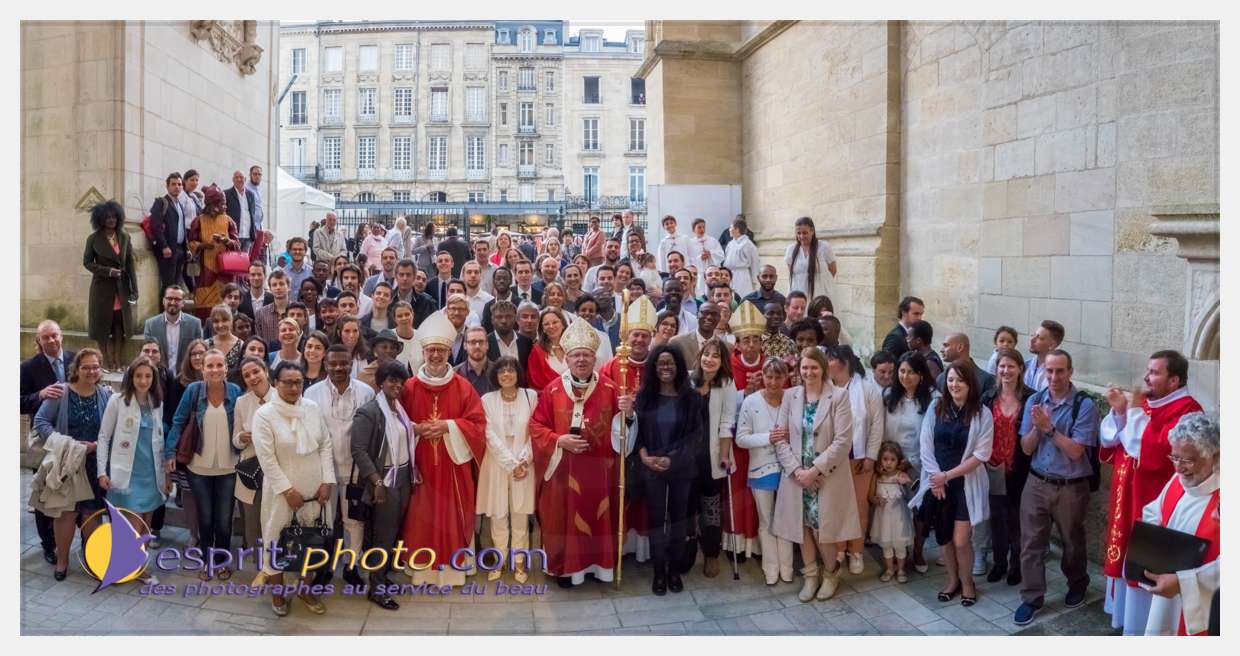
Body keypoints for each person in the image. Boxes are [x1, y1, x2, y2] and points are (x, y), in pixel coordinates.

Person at [528, 316, 636, 586]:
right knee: (563, 519)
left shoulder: (610, 388)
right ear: (566, 358)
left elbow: (622, 433)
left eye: (586, 355)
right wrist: (559, 440)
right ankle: (566, 570)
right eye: (576, 355)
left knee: (598, 515)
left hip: (601, 470)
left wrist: (629, 415)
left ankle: (599, 568)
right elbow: (536, 426)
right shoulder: (552, 390)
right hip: (564, 471)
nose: (581, 360)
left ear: (594, 358)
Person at [1099, 349, 1202, 634]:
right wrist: (1121, 412)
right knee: (1124, 552)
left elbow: (1155, 452)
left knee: (1145, 559)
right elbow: (1114, 440)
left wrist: (1130, 410)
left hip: (1152, 501)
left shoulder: (1188, 411)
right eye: (1148, 370)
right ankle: (1125, 620)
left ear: (1174, 380)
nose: (1146, 377)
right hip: (1127, 496)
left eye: (1155, 372)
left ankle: (1144, 628)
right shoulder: (1147, 403)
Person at [398, 310, 487, 585]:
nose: (435, 355)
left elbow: (478, 424)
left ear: (449, 352)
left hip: (453, 467)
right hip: (421, 465)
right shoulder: (409, 387)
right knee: (420, 518)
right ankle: (422, 570)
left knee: (452, 515)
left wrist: (449, 426)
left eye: (440, 350)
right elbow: (396, 425)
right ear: (422, 352)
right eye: (430, 350)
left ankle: (453, 570)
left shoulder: (463, 387)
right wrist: (416, 429)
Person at [1012, 348, 1099, 625]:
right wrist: (1037, 428)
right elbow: (1026, 449)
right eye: (1049, 371)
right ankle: (1031, 597)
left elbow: (1076, 451)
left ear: (1070, 372)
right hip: (1037, 481)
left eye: (1060, 371)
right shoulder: (1035, 401)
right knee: (1030, 543)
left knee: (1072, 541)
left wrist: (1049, 428)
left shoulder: (1084, 405)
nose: (1054, 376)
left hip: (1070, 487)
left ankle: (1077, 583)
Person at [770, 347, 857, 602]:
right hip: (797, 475)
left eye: (814, 367)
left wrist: (815, 470)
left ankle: (830, 573)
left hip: (824, 475)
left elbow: (843, 441)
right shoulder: (791, 396)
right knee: (802, 526)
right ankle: (810, 575)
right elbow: (780, 437)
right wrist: (797, 471)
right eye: (804, 367)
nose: (809, 372)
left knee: (822, 528)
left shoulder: (838, 396)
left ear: (823, 368)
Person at [252, 361, 336, 617]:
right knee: (276, 541)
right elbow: (266, 459)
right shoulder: (264, 415)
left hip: (315, 490)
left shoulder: (311, 408)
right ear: (275, 382)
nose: (293, 387)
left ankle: (304, 588)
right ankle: (278, 593)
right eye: (287, 382)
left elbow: (325, 444)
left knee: (313, 540)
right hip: (281, 493)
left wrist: (327, 481)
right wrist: (288, 491)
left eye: (298, 382)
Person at [908, 360, 994, 608]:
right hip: (938, 483)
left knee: (961, 540)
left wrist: (947, 476)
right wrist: (936, 478)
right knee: (944, 538)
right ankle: (952, 580)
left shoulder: (982, 413)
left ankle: (968, 583)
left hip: (965, 483)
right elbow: (925, 443)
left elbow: (981, 455)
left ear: (970, 384)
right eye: (951, 379)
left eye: (960, 380)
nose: (955, 384)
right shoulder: (936, 407)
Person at [32, 348, 112, 580]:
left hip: (93, 464)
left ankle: (94, 559)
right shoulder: (62, 392)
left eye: (96, 366)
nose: (91, 371)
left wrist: (96, 446)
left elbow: (111, 429)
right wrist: (65, 443)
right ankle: (62, 561)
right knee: (65, 514)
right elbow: (41, 421)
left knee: (92, 513)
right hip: (66, 463)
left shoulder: (106, 394)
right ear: (76, 369)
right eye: (86, 367)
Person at [1137, 412, 1219, 635]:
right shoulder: (1179, 480)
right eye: (1174, 457)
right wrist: (1148, 540)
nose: (1178, 468)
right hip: (1166, 589)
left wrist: (1184, 583)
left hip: (1202, 607)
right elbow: (1154, 511)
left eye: (1188, 460)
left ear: (1214, 456)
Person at [632, 346, 703, 596]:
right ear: (653, 367)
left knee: (678, 521)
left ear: (678, 366)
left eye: (670, 363)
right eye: (661, 363)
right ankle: (659, 572)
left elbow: (696, 437)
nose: (665, 367)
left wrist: (671, 459)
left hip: (681, 469)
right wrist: (644, 456)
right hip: (651, 468)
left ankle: (674, 570)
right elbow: (636, 433)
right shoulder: (644, 397)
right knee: (656, 521)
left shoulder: (691, 398)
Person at [304, 344, 376, 587]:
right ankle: (323, 568)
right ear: (325, 365)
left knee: (354, 522)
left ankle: (351, 567)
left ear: (351, 364)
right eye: (333, 363)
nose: (338, 368)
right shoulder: (312, 394)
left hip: (355, 471)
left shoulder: (366, 393)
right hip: (323, 471)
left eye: (343, 363)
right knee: (324, 521)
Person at [169, 349, 243, 580]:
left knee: (224, 519)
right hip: (198, 467)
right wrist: (170, 451)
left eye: (219, 365)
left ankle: (222, 561)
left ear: (226, 368)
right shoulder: (193, 391)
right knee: (206, 517)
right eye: (210, 365)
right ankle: (206, 561)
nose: (215, 370)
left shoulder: (235, 391)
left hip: (229, 467)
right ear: (202, 369)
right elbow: (178, 420)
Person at [349, 360, 415, 610]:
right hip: (384, 480)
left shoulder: (398, 408)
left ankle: (382, 577)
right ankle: (376, 589)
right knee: (383, 536)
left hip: (403, 477)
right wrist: (376, 480)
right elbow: (358, 450)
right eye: (391, 380)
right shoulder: (369, 411)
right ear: (380, 383)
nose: (397, 385)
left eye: (400, 381)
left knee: (394, 533)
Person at [475, 356, 537, 584]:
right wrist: (511, 463)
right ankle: (499, 561)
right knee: (498, 514)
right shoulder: (487, 400)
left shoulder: (531, 396)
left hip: (525, 462)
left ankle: (519, 562)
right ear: (496, 375)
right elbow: (488, 434)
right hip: (496, 463)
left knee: (520, 514)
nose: (506, 375)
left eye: (511, 370)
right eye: (502, 371)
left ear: (518, 374)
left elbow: (536, 430)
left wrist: (523, 460)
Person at [735, 357, 796, 585]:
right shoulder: (751, 402)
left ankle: (787, 567)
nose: (773, 382)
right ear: (762, 376)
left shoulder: (792, 400)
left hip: (789, 469)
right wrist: (768, 438)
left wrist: (790, 435)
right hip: (761, 469)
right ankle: (771, 567)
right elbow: (741, 439)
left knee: (786, 519)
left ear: (785, 378)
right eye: (769, 377)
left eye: (778, 377)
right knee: (766, 520)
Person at [823, 346, 883, 574]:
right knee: (836, 505)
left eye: (830, 359)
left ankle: (856, 551)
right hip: (833, 458)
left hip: (859, 458)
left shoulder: (867, 389)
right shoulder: (825, 388)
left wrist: (871, 456)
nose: (826, 364)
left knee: (858, 505)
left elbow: (876, 425)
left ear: (845, 363)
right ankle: (839, 547)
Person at [20, 320, 75, 564]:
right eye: (46, 337)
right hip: (44, 441)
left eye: (54, 335)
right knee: (43, 494)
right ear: (39, 341)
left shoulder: (75, 358)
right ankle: (48, 545)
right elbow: (18, 401)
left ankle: (69, 538)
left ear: (61, 336)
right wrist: (40, 395)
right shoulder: (28, 367)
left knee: (71, 491)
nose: (51, 340)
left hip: (73, 437)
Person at [981, 347, 1035, 585]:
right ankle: (999, 562)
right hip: (993, 467)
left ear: (1020, 369)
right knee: (997, 519)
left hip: (1020, 468)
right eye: (1002, 366)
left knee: (1017, 520)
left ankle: (1016, 565)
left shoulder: (1031, 398)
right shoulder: (987, 398)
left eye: (1011, 366)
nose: (1006, 371)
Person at [882, 351, 937, 572]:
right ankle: (898, 552)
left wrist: (910, 462)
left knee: (920, 512)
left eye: (911, 372)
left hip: (918, 465)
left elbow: (931, 435)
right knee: (895, 510)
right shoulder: (889, 395)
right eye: (902, 371)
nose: (905, 376)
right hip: (889, 463)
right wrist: (889, 460)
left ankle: (918, 550)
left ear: (921, 375)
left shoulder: (933, 399)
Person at [687, 338, 735, 579]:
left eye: (716, 355)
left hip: (712, 455)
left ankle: (711, 553)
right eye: (707, 354)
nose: (710, 359)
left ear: (722, 361)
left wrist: (724, 455)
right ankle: (686, 551)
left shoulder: (726, 383)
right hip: (686, 456)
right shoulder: (686, 380)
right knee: (687, 504)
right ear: (700, 356)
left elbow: (727, 421)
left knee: (711, 507)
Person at [723, 301, 765, 558]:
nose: (750, 345)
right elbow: (721, 402)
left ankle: (759, 544)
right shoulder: (728, 366)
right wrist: (745, 395)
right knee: (738, 493)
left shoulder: (770, 365)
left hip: (764, 442)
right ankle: (736, 544)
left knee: (760, 494)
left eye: (755, 340)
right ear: (737, 344)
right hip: (736, 441)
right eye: (745, 340)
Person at [84, 200, 138, 370]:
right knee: (102, 327)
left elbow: (130, 264)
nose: (111, 220)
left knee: (119, 326)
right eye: (107, 217)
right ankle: (106, 361)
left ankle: (117, 360)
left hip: (121, 288)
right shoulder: (93, 239)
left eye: (114, 216)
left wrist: (134, 289)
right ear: (100, 219)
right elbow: (87, 263)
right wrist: (108, 271)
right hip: (102, 289)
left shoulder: (125, 237)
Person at [231, 356, 273, 554]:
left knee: (275, 521)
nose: (252, 377)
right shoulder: (242, 402)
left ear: (266, 371)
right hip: (251, 471)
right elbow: (235, 439)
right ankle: (258, 562)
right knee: (253, 524)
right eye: (247, 375)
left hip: (277, 470)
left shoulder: (281, 396)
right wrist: (242, 437)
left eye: (256, 371)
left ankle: (275, 563)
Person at [189, 184, 242, 312]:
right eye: (222, 204)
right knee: (204, 302)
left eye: (225, 203)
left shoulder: (229, 221)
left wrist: (227, 241)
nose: (225, 206)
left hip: (226, 269)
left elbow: (237, 245)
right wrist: (205, 245)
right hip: (205, 269)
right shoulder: (198, 221)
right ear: (213, 205)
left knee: (227, 298)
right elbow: (191, 243)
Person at [143, 285, 204, 381]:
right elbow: (147, 354)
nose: (172, 302)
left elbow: (199, 352)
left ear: (183, 303)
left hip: (185, 378)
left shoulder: (195, 324)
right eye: (169, 298)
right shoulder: (151, 324)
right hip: (159, 378)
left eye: (177, 299)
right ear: (163, 301)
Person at [938, 333, 996, 398]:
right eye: (951, 380)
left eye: (946, 345)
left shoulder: (986, 380)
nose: (941, 350)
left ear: (960, 347)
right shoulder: (941, 378)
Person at [525, 307, 570, 391]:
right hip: (548, 397)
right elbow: (534, 384)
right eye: (546, 324)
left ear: (563, 324)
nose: (551, 326)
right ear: (543, 329)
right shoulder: (536, 352)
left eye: (555, 322)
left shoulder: (574, 347)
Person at [722, 216, 760, 297]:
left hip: (742, 276)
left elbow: (755, 262)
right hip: (730, 275)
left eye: (731, 227)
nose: (729, 230)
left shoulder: (747, 244)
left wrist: (754, 280)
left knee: (742, 296)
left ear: (737, 229)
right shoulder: (730, 244)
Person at [687, 218, 725, 297]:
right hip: (700, 273)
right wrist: (700, 258)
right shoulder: (690, 243)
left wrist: (711, 253)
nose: (702, 229)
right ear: (693, 229)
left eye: (703, 227)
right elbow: (689, 259)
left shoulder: (713, 240)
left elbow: (721, 255)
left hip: (712, 274)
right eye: (699, 227)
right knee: (700, 293)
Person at [1024, 320, 1065, 392]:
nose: (1032, 340)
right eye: (1034, 335)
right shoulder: (1025, 365)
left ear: (1052, 345)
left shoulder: (1056, 375)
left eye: (1039, 338)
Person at [225, 170, 260, 250]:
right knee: (232, 257)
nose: (239, 179)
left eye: (241, 177)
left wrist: (253, 233)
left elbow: (252, 214)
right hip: (232, 237)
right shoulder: (226, 194)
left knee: (244, 257)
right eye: (236, 177)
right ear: (233, 180)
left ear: (245, 179)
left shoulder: (251, 195)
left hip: (247, 236)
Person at [454, 326, 493, 396]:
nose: (477, 346)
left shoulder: (498, 371)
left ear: (487, 345)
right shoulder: (454, 373)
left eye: (481, 341)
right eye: (473, 342)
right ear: (465, 345)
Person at [205, 304, 244, 374]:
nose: (220, 325)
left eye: (224, 320)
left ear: (231, 320)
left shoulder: (241, 345)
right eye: (216, 321)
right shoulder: (206, 345)